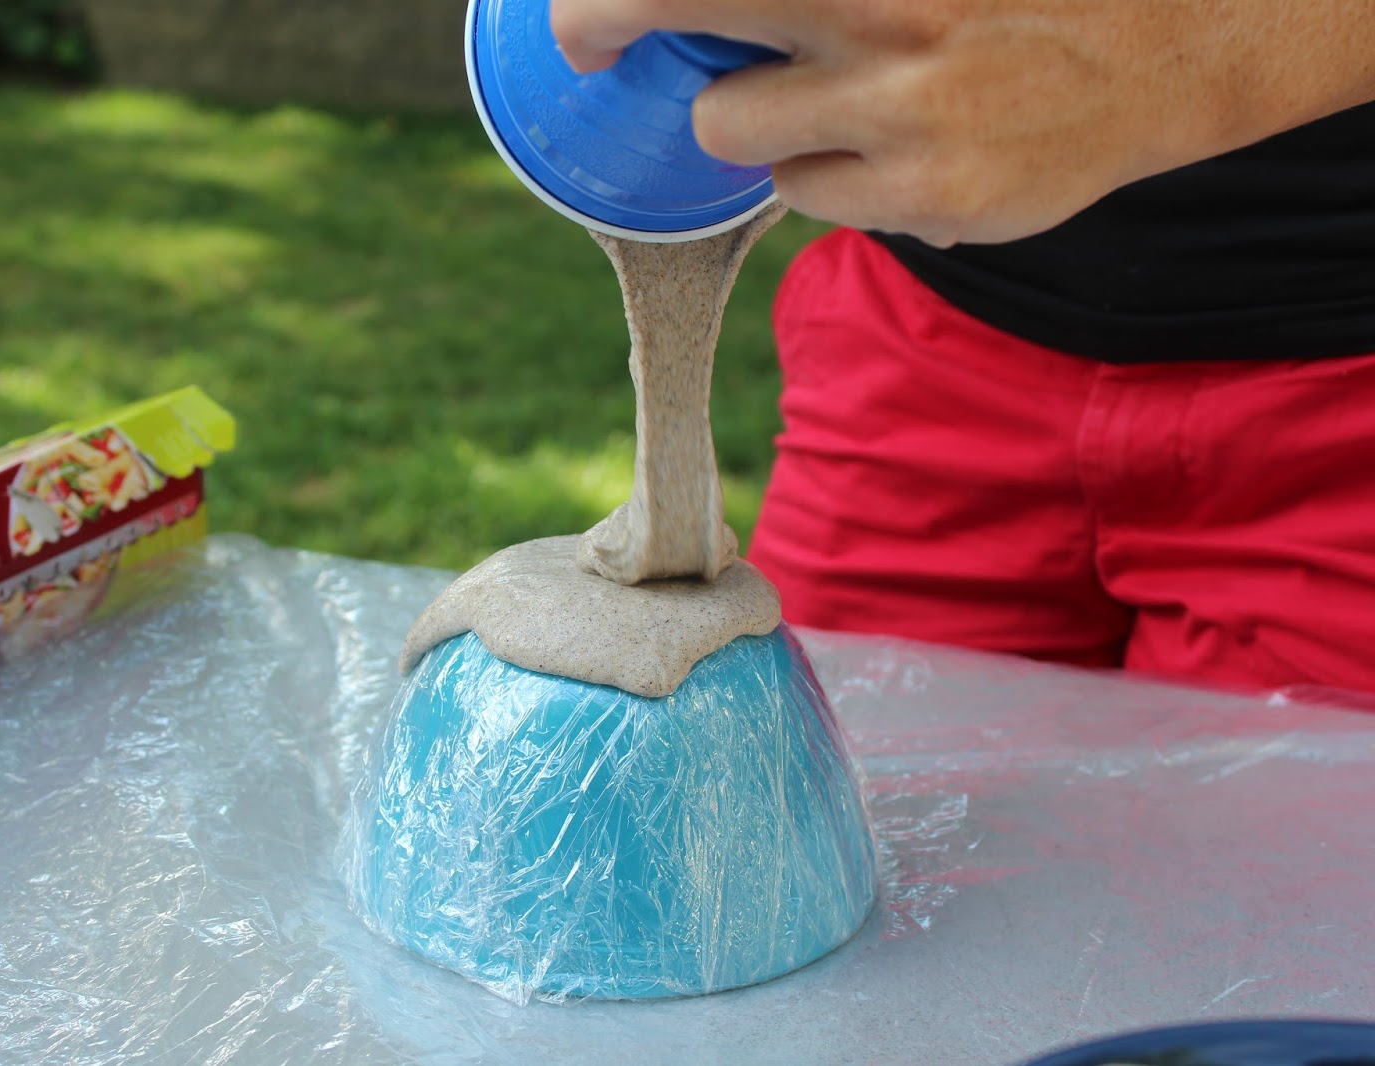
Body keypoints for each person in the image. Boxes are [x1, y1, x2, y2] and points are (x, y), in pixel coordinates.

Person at [550, 0, 1375, 695]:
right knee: (807, 829)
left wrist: (1188, 47)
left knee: (1281, 875)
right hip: (919, 353)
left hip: (1342, 414)